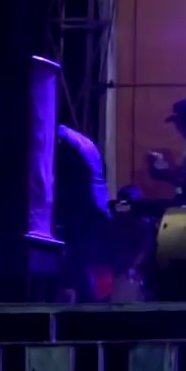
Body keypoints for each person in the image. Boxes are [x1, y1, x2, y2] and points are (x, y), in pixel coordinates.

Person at [55, 124, 111, 302]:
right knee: (87, 263)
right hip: (96, 207)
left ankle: (87, 305)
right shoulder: (81, 140)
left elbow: (67, 177)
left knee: (81, 264)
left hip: (85, 209)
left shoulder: (62, 138)